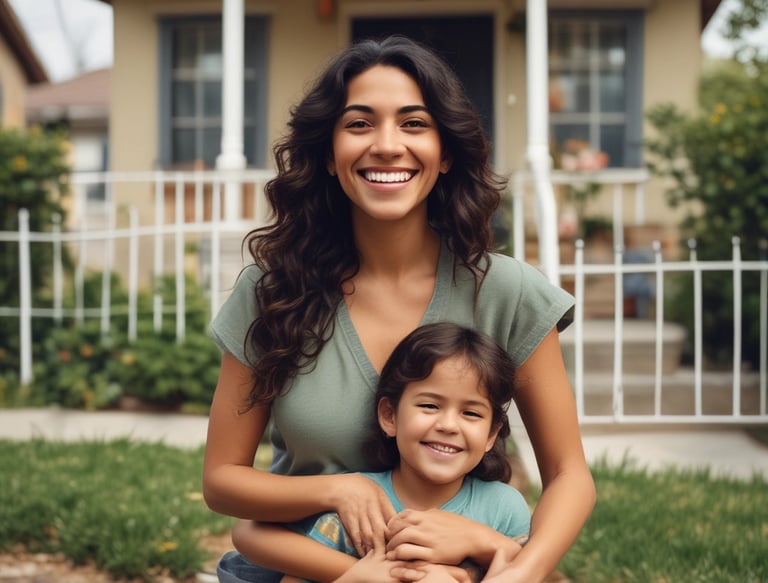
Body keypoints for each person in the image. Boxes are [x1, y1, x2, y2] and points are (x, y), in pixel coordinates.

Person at [203, 35, 596, 583]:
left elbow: (568, 473)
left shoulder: (510, 292)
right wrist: (339, 489)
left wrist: (513, 569)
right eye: (359, 124)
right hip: (297, 568)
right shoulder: (272, 293)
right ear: (326, 154)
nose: (387, 145)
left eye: (414, 124)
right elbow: (222, 480)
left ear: (446, 152)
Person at [231, 322, 532, 583]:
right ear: (390, 416)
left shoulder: (504, 510)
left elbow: (524, 571)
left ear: (492, 433)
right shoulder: (358, 509)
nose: (448, 425)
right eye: (429, 405)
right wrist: (356, 577)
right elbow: (255, 540)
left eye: (471, 413)